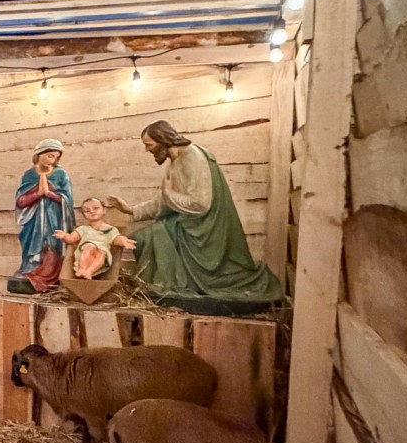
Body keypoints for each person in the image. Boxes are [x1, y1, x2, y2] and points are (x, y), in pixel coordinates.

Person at [106, 120, 282, 311]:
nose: (148, 151)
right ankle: (160, 289)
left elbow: (200, 203)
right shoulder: (176, 162)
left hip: (204, 231)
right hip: (189, 226)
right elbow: (162, 202)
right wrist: (129, 209)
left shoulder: (193, 157)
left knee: (150, 236)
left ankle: (168, 288)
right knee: (142, 237)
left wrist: (168, 194)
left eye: (149, 145)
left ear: (163, 139)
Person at [13, 138, 74, 292]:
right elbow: (20, 201)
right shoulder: (29, 175)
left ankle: (50, 277)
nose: (52, 160)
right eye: (49, 155)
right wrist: (38, 193)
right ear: (39, 154)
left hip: (54, 217)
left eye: (55, 157)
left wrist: (49, 193)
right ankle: (30, 270)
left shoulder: (61, 174)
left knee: (52, 243)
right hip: (33, 219)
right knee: (31, 242)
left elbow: (68, 199)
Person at [54, 197, 135, 279]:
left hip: (102, 256)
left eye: (96, 208)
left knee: (101, 253)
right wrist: (64, 236)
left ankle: (89, 271)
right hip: (85, 253)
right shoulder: (83, 229)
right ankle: (82, 269)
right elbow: (71, 239)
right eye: (87, 211)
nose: (92, 211)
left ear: (104, 210)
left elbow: (116, 239)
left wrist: (124, 241)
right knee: (90, 247)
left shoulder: (111, 230)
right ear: (84, 215)